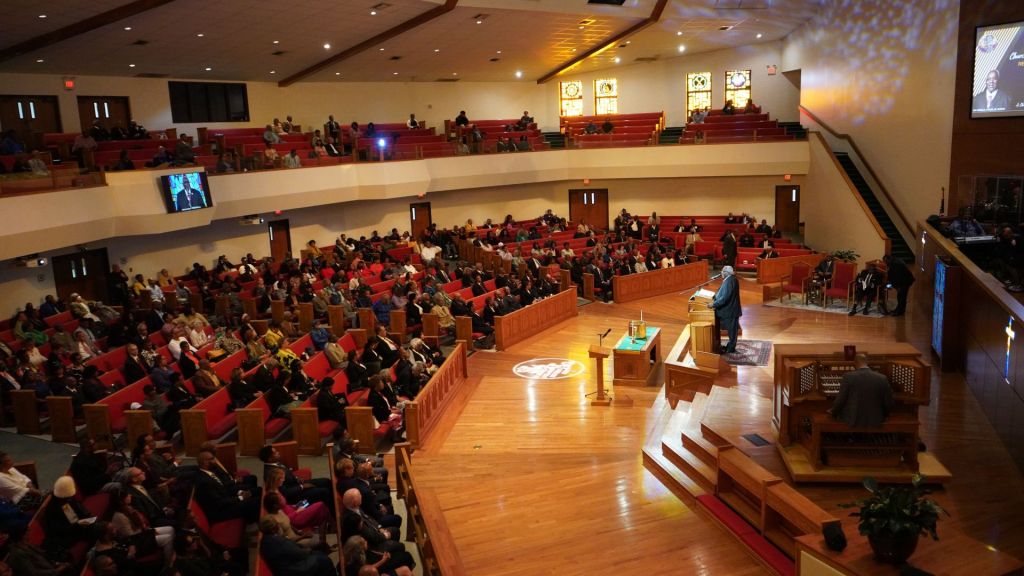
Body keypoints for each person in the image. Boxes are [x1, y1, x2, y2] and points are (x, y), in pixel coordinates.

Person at [827, 354, 894, 427]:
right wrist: (885, 415)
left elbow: (840, 400)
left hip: (853, 419)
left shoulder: (848, 377)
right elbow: (888, 401)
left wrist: (833, 412)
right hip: (876, 419)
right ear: (867, 362)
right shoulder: (882, 378)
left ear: (855, 363)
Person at [258, 517, 336, 576]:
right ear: (272, 529)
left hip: (284, 568)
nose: (278, 526)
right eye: (276, 524)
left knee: (319, 554)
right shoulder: (278, 541)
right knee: (325, 560)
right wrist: (309, 550)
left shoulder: (264, 541)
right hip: (294, 570)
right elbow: (300, 554)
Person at [710, 266, 742, 354]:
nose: (721, 273)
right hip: (731, 310)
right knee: (732, 330)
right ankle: (730, 346)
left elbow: (724, 298)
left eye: (722, 271)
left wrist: (713, 304)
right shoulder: (731, 279)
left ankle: (731, 348)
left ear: (726, 273)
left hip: (730, 310)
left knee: (732, 331)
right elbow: (723, 294)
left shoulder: (729, 281)